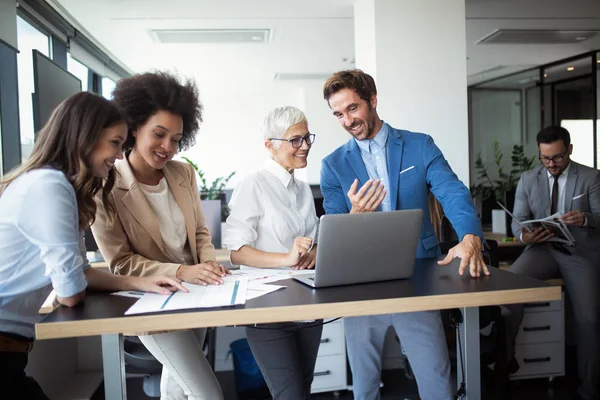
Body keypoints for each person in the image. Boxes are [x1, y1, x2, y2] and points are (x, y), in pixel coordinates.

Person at [0, 92, 186, 400]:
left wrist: (144, 282)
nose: (118, 155)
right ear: (85, 137)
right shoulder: (50, 186)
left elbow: (81, 273)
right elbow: (70, 293)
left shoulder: (49, 183)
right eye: (115, 142)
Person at [320, 69, 487, 400]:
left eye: (352, 108)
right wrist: (356, 217)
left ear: (373, 100)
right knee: (365, 385)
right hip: (360, 285)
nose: (347, 121)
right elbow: (334, 227)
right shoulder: (333, 164)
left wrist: (470, 236)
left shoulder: (418, 145)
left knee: (436, 375)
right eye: (338, 114)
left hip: (416, 276)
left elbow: (452, 192)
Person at [91, 72, 228, 400]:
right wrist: (182, 271)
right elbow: (121, 263)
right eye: (159, 134)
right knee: (209, 394)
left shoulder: (183, 174)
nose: (168, 147)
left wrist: (209, 266)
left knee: (177, 388)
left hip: (198, 293)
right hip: (153, 301)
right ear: (134, 127)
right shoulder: (107, 185)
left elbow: (198, 232)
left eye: (176, 139)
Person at [223, 106, 322, 399]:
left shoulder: (303, 189)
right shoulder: (251, 185)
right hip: (267, 309)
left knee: (303, 390)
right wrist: (286, 259)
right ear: (270, 145)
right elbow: (236, 253)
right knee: (289, 395)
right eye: (295, 140)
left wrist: (315, 250)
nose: (304, 146)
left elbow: (312, 242)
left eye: (306, 138)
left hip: (308, 303)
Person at [506, 126, 600, 400]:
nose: (551, 164)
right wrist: (526, 235)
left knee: (589, 319)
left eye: (557, 157)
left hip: (580, 252)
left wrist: (585, 219)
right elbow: (517, 221)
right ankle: (506, 360)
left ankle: (589, 388)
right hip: (542, 250)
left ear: (569, 150)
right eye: (545, 158)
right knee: (508, 291)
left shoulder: (591, 177)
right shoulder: (528, 179)